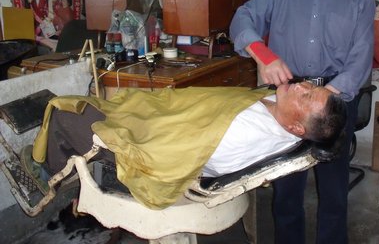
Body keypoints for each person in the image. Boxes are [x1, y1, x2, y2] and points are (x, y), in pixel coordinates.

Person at [230, 0, 375, 244]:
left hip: (335, 99)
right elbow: (243, 19)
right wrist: (263, 56)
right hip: (289, 96)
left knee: (334, 190)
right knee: (286, 190)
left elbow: (359, 61)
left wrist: (326, 101)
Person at [21, 83, 346, 208]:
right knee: (98, 102)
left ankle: (48, 175)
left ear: (295, 127)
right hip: (166, 121)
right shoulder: (276, 108)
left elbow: (174, 149)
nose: (302, 85)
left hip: (151, 143)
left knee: (65, 113)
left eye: (305, 96)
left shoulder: (245, 134)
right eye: (311, 87)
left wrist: (134, 122)